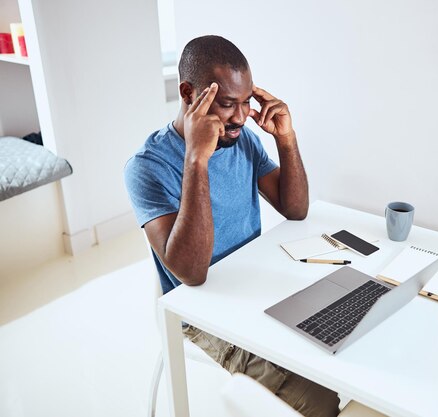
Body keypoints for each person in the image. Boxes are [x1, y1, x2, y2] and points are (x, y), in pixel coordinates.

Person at [124, 35, 340, 416]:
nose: (241, 117)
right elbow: (191, 273)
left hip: (258, 286)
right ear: (189, 94)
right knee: (317, 402)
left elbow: (296, 208)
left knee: (346, 349)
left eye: (245, 103)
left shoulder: (241, 140)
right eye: (227, 105)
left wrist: (286, 139)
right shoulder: (147, 167)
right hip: (206, 314)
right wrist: (196, 158)